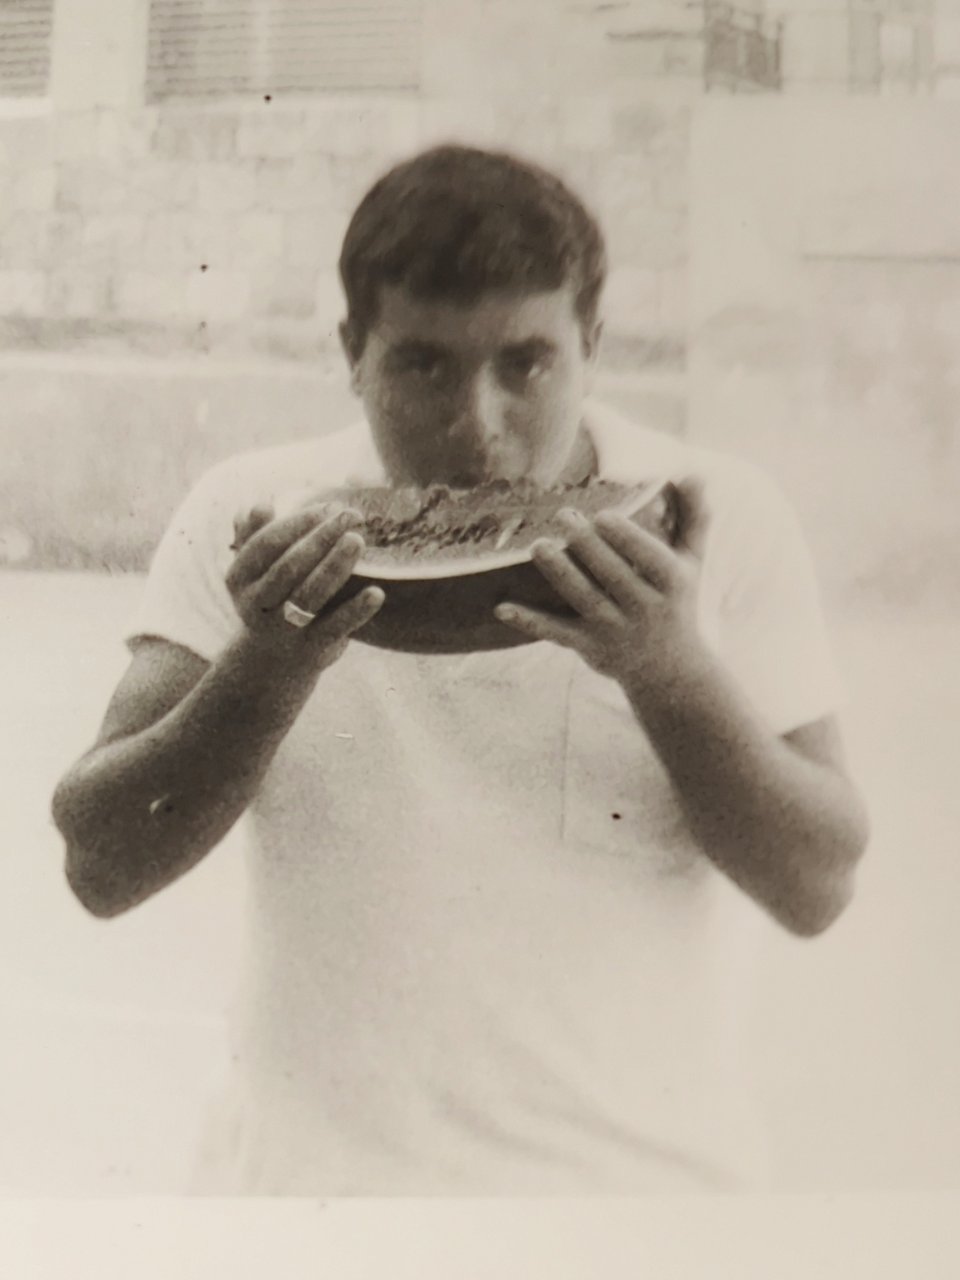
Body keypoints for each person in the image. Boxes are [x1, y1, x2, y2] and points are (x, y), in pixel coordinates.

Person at [51, 144, 869, 1195]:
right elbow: (98, 864)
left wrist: (669, 670)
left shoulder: (714, 515)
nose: (475, 425)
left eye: (525, 363)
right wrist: (266, 670)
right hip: (313, 1200)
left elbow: (819, 884)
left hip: (641, 1199)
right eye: (423, 364)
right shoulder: (251, 517)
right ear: (353, 351)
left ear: (592, 346)